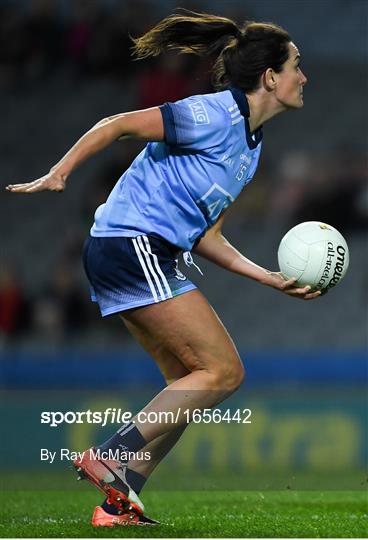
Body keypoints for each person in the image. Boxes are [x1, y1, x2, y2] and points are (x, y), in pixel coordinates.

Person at [6, 10, 321, 527]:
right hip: (131, 244)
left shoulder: (251, 147)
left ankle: (119, 500)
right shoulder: (213, 114)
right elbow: (120, 124)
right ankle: (111, 455)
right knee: (224, 371)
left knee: (187, 381)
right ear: (270, 77)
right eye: (296, 66)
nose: (303, 77)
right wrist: (59, 173)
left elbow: (207, 234)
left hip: (146, 250)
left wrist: (268, 276)